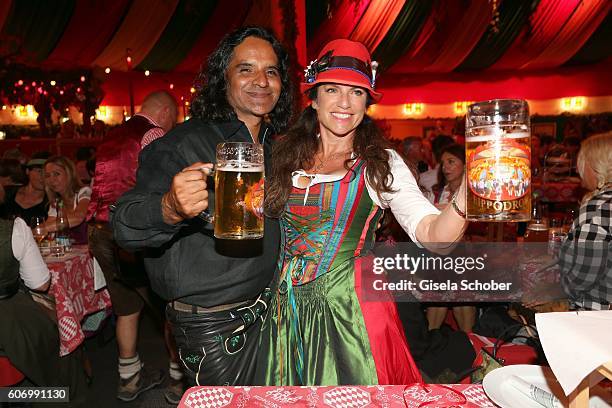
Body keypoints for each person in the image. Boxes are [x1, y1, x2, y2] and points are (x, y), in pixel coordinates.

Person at [257, 39, 468, 385]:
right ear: (313, 98)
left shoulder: (380, 163)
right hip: (285, 313)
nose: (344, 102)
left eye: (356, 92)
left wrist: (470, 190)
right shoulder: (282, 157)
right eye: (332, 89)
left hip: (353, 318)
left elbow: (435, 236)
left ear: (367, 102)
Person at [112, 26, 294, 386]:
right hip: (215, 325)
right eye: (246, 69)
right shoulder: (184, 143)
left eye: (271, 71)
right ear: (222, 79)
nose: (261, 80)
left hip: (271, 310)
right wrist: (169, 208)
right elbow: (123, 224)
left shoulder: (276, 147)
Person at [87, 90, 178, 402]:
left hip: (99, 231)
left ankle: (129, 378)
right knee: (169, 308)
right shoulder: (152, 133)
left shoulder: (113, 135)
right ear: (165, 112)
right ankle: (178, 379)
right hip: (133, 234)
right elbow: (164, 184)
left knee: (127, 306)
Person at [0, 216, 86, 404]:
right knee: (59, 343)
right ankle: (49, 396)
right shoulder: (14, 229)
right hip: (8, 319)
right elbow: (40, 284)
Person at [558, 132, 611, 310]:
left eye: (582, 162)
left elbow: (582, 278)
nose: (577, 169)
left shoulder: (598, 208)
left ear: (597, 165)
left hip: (595, 316)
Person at [426, 144, 476, 333]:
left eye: (451, 162)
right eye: (443, 163)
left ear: (465, 165)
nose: (445, 167)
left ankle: (468, 342)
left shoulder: (476, 193)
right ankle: (434, 342)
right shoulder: (438, 192)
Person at [43, 156, 90, 244]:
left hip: (92, 252)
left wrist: (40, 229)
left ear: (69, 173)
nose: (51, 179)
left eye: (56, 174)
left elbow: (78, 217)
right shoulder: (55, 202)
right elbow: (49, 226)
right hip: (72, 252)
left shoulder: (85, 192)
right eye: (47, 175)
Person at [0, 153, 50, 225]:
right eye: (39, 171)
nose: (43, 177)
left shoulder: (50, 204)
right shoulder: (7, 193)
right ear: (27, 171)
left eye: (47, 173)